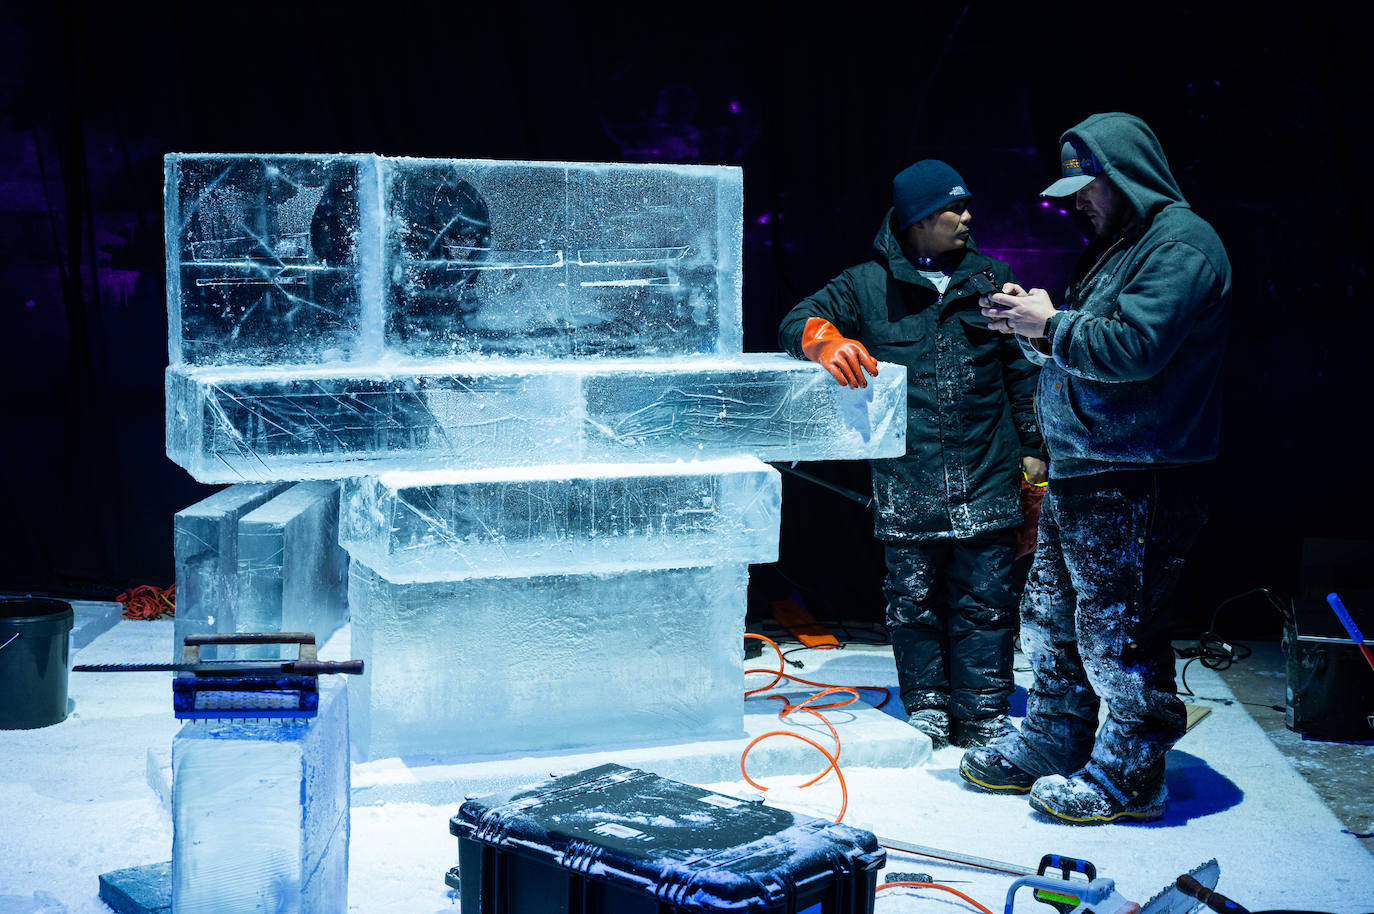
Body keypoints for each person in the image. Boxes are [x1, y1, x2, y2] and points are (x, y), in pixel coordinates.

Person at [959, 112, 1232, 824]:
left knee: (1119, 630)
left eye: (1087, 184)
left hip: (1140, 474)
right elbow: (1096, 349)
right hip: (1088, 467)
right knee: (1051, 616)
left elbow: (1137, 349)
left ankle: (1131, 776)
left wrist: (1051, 324)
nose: (1074, 200)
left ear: (1127, 172)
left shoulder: (1181, 244)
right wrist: (1034, 330)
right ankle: (1055, 739)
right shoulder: (1124, 246)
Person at [778, 160, 1046, 750]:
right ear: (920, 220)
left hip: (986, 469)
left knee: (987, 600)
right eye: (956, 209)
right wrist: (827, 340)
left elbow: (1021, 375)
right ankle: (926, 705)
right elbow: (796, 321)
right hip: (908, 474)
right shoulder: (865, 285)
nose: (968, 217)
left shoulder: (990, 280)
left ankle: (983, 714)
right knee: (914, 601)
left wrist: (1034, 456)